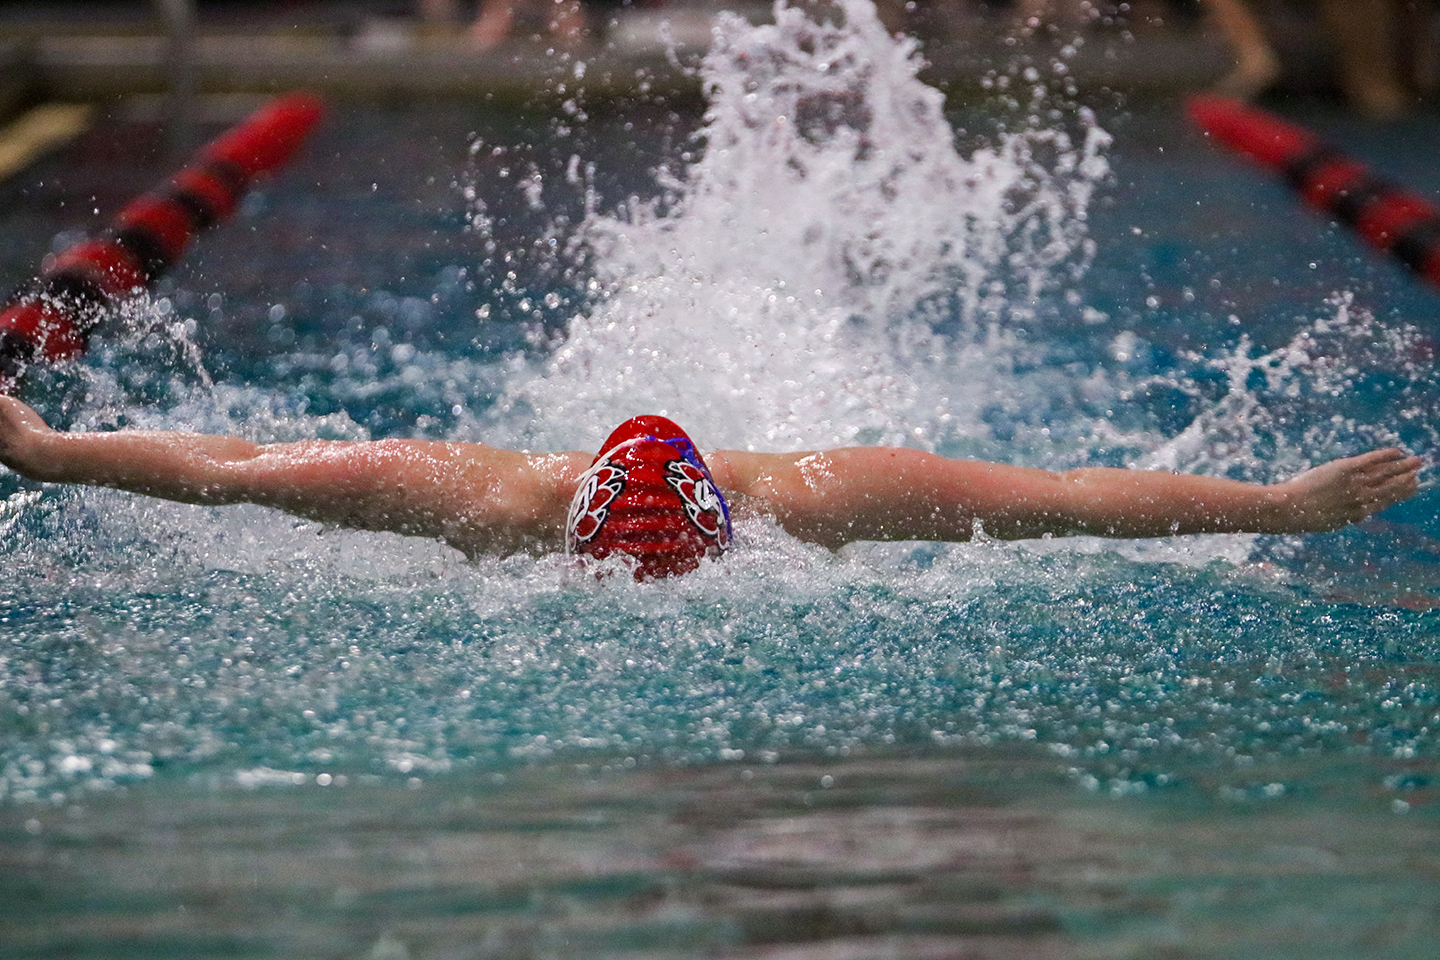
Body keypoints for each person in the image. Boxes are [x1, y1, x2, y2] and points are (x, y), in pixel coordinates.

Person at [0, 397, 1422, 579]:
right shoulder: (819, 492)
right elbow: (1069, 492)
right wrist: (1274, 504)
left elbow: (229, 470)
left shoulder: (478, 496)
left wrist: (56, 454)